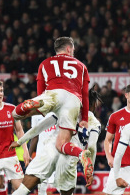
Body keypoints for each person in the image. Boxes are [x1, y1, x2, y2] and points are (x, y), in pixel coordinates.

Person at [12, 36, 94, 185]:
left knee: (16, 114)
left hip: (51, 94)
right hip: (73, 101)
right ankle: (82, 155)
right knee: (61, 143)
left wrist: (39, 104)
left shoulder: (45, 63)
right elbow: (86, 95)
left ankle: (24, 107)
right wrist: (84, 118)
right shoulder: (81, 66)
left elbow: (41, 92)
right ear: (69, 49)